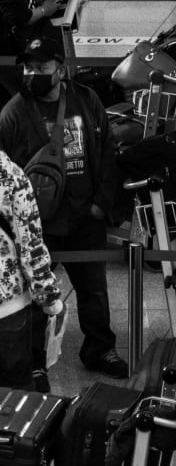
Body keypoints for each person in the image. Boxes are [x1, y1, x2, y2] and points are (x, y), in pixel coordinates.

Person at [0, 32, 118, 381]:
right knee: (35, 296)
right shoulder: (13, 113)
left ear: (61, 69)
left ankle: (100, 348)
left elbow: (108, 151)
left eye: (42, 66)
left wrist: (101, 205)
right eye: (29, 67)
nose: (33, 73)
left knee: (94, 289)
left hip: (85, 216)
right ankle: (35, 358)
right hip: (39, 224)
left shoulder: (86, 100)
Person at [0, 143, 59, 391]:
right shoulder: (9, 174)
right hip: (8, 309)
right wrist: (48, 299)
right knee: (17, 394)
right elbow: (31, 245)